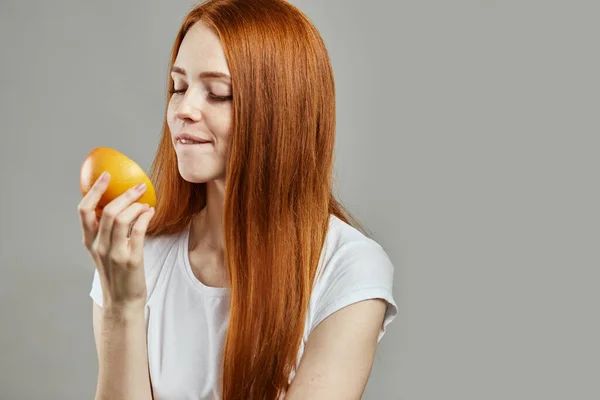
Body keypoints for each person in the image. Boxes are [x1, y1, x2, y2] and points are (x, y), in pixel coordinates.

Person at [78, 0, 397, 399]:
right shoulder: (135, 258)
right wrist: (121, 304)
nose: (182, 110)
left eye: (218, 93)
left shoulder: (347, 268)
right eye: (178, 87)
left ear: (281, 112)